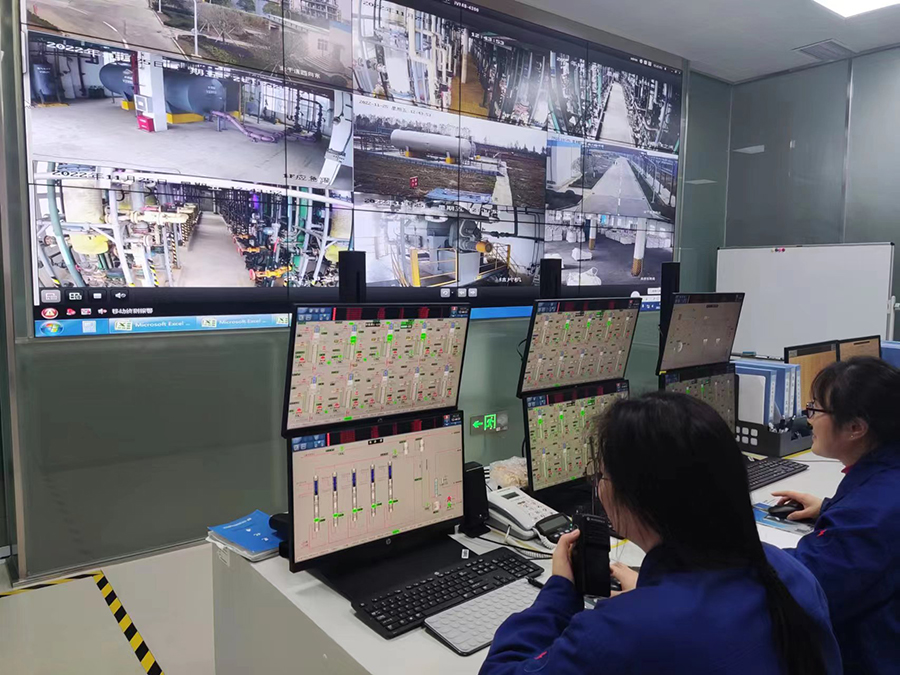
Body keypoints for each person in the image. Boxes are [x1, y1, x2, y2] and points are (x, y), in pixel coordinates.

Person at [481, 392, 841, 675]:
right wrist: (652, 594)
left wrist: (560, 591)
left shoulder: (620, 632)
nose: (598, 487)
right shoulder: (789, 573)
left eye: (601, 476)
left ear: (640, 498)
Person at [772, 357, 900, 674]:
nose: (809, 420)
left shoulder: (871, 511)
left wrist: (731, 546)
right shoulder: (885, 473)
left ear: (856, 428)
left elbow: (804, 583)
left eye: (815, 410)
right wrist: (830, 509)